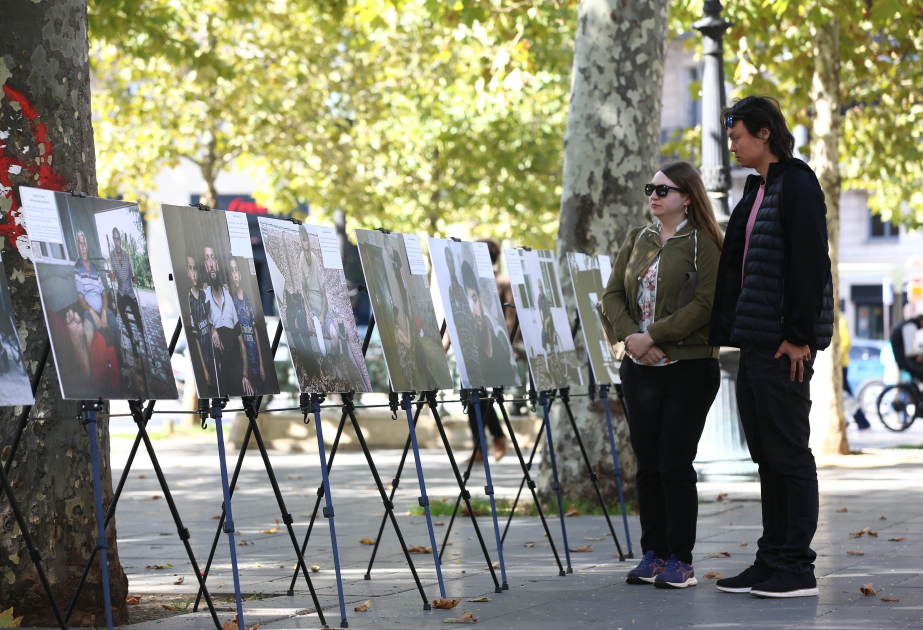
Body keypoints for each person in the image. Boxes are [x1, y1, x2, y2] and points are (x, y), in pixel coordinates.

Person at [709, 96, 834, 598]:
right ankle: (772, 558)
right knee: (766, 456)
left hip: (785, 347)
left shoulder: (797, 182)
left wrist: (799, 336)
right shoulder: (758, 188)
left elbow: (810, 263)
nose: (733, 146)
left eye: (737, 136)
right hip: (756, 342)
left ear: (764, 134)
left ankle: (797, 567)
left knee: (788, 456)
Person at [601, 160, 723, 590]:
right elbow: (612, 295)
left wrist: (652, 335)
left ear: (687, 197)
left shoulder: (704, 244)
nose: (654, 194)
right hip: (640, 370)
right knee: (648, 466)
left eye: (664, 189)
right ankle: (652, 554)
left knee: (674, 463)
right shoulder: (638, 239)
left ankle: (681, 561)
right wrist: (633, 337)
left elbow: (705, 306)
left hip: (689, 369)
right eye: (650, 188)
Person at [462, 258, 518, 461]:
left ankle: (494, 437)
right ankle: (484, 444)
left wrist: (509, 346)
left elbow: (510, 316)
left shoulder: (501, 280)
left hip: (494, 344)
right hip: (471, 343)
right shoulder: (468, 282)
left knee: (484, 396)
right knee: (471, 394)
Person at [203, 244, 253, 397]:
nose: (211, 264)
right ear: (206, 266)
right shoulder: (204, 296)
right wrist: (212, 328)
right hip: (221, 372)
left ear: (217, 264)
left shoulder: (229, 297)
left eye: (213, 258)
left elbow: (242, 345)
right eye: (207, 259)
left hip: (237, 369)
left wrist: (245, 375)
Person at [74, 230, 122, 366]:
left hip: (102, 309)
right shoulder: (77, 269)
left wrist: (104, 312)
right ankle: (96, 377)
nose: (83, 247)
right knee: (87, 333)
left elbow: (104, 294)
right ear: (77, 247)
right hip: (89, 312)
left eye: (84, 243)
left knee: (114, 325)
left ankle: (121, 367)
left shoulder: (95, 269)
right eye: (79, 243)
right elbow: (81, 299)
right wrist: (94, 315)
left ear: (87, 246)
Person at [445, 244, 483, 387]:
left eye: (451, 261)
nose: (450, 265)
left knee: (477, 383)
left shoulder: (462, 288)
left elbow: (470, 315)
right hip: (459, 341)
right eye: (447, 261)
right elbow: (450, 318)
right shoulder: (448, 290)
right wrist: (447, 343)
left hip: (472, 339)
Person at [229, 257, 266, 392]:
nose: (235, 274)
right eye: (232, 271)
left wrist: (261, 364)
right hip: (244, 363)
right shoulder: (231, 302)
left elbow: (255, 332)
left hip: (256, 357)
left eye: (236, 270)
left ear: (240, 274)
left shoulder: (247, 299)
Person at [109, 228, 146, 357]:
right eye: (114, 239)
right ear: (113, 241)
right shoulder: (111, 256)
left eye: (118, 238)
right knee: (121, 312)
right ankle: (131, 337)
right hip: (121, 291)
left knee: (137, 315)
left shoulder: (127, 255)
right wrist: (111, 277)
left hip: (130, 291)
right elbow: (112, 274)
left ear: (121, 240)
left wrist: (135, 278)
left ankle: (142, 333)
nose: (117, 241)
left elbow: (132, 274)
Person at [186, 248, 217, 393]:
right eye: (190, 269)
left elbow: (212, 320)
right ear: (187, 272)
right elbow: (196, 338)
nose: (193, 273)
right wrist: (204, 369)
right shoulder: (190, 299)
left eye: (195, 269)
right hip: (203, 355)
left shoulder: (204, 295)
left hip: (212, 351)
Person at [839, 315, 871, 430]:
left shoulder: (839, 319)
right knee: (844, 396)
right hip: (839, 364)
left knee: (847, 396)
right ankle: (851, 421)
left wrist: (836, 356)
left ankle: (862, 423)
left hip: (840, 365)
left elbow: (847, 341)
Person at [890, 303, 923, 384]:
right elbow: (910, 351)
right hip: (906, 361)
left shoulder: (908, 324)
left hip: (902, 359)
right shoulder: (910, 325)